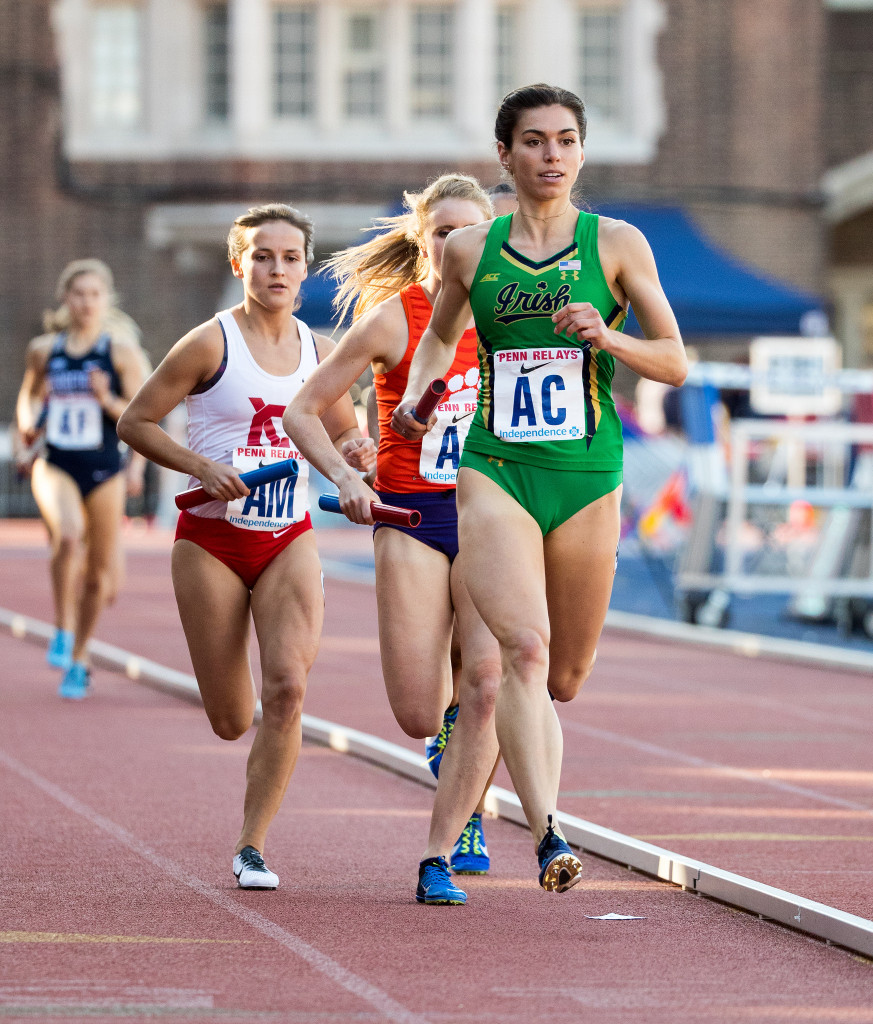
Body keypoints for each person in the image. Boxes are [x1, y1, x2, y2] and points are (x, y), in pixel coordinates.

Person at [384, 84, 687, 897]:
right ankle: (547, 830)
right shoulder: (469, 250)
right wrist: (418, 395)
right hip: (495, 468)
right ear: (504, 154)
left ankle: (507, 795)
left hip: (585, 477)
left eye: (564, 141)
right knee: (521, 648)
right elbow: (439, 337)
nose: (550, 155)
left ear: (580, 152)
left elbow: (674, 361)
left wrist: (607, 335)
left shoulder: (616, 244)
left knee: (562, 677)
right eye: (533, 141)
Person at [117, 203, 374, 889]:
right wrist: (202, 467)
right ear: (240, 264)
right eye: (263, 256)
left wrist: (358, 450)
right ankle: (240, 767)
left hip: (288, 538)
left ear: (305, 268)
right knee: (232, 719)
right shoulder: (209, 343)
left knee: (287, 688)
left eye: (290, 258)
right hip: (210, 542)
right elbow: (135, 422)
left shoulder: (321, 351)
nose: (277, 269)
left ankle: (251, 846)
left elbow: (344, 430)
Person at [285, 174, 502, 905]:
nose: (456, 244)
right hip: (412, 516)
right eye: (442, 232)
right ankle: (449, 744)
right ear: (420, 238)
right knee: (419, 710)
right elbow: (303, 410)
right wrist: (347, 475)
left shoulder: (512, 318)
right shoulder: (393, 320)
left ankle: (457, 828)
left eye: (470, 232)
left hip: (495, 517)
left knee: (486, 682)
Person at [14, 259, 147, 699]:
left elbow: (142, 414)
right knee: (68, 536)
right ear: (65, 299)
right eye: (78, 294)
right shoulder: (44, 350)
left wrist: (106, 400)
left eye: (94, 294)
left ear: (106, 300)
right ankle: (62, 628)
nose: (86, 303)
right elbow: (28, 398)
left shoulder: (120, 351)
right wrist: (27, 427)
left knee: (98, 577)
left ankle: (80, 655)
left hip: (105, 468)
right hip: (56, 462)